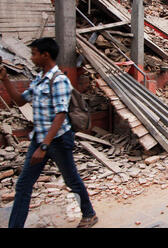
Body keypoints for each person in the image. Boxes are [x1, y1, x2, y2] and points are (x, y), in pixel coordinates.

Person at [0, 38, 97, 228]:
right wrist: (4, 78)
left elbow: (60, 115)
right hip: (40, 139)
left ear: (45, 55)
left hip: (58, 140)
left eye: (34, 53)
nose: (31, 57)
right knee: (23, 185)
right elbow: (20, 101)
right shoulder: (39, 79)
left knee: (71, 180)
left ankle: (89, 214)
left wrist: (45, 146)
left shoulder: (59, 80)